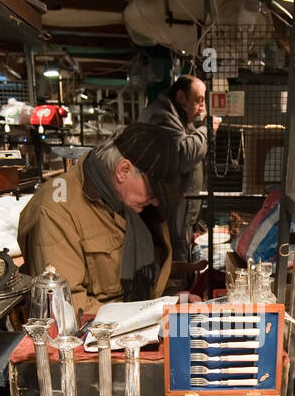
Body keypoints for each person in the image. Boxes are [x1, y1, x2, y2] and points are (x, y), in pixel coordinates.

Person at [17, 123, 179, 314]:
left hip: (136, 323)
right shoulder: (55, 210)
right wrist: (148, 314)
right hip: (93, 335)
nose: (155, 202)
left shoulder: (126, 203)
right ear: (123, 171)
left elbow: (151, 276)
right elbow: (65, 308)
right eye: (153, 191)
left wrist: (175, 301)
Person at [141, 75, 212, 265]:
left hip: (175, 210)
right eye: (199, 100)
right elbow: (183, 155)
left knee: (177, 253)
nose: (203, 108)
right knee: (173, 260)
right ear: (181, 98)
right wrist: (207, 130)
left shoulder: (178, 117)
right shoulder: (162, 117)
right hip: (167, 211)